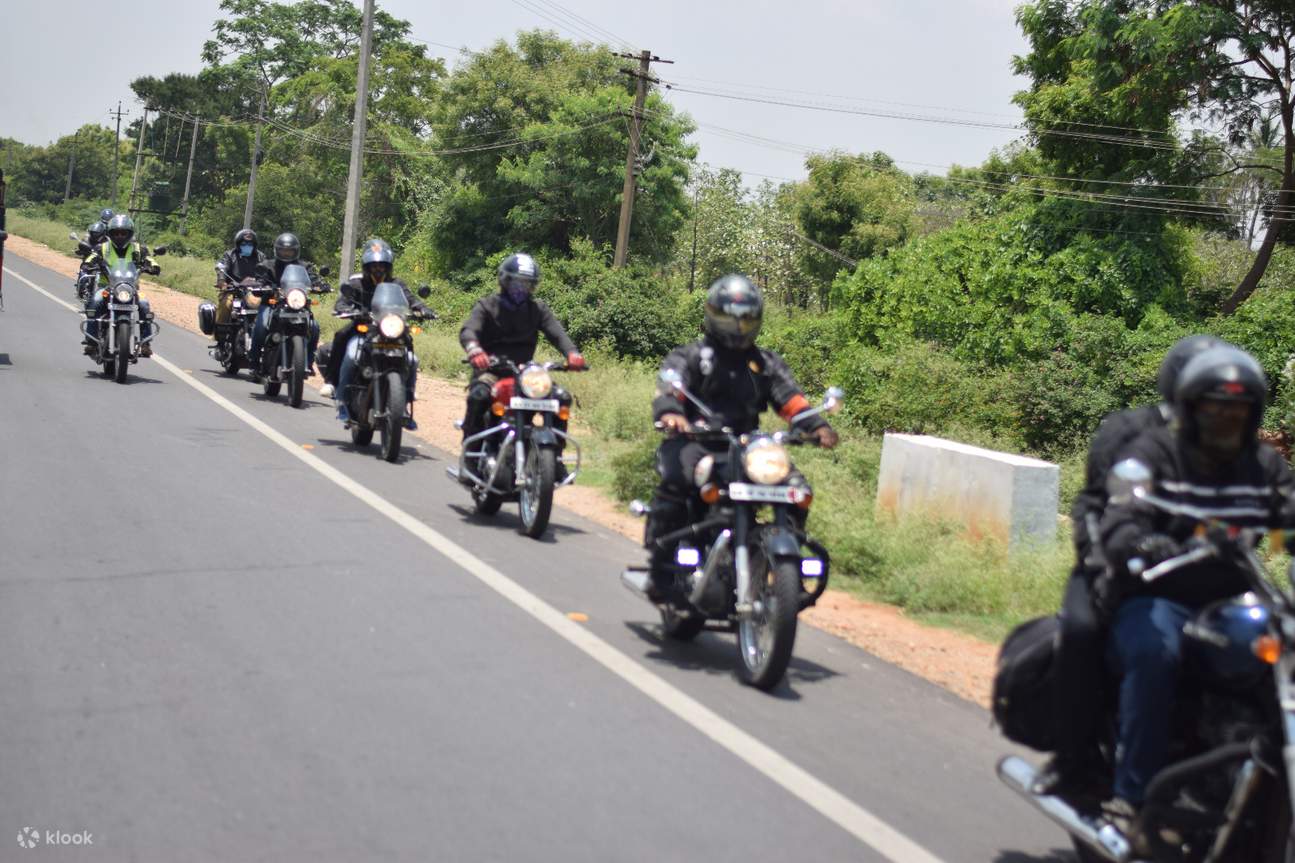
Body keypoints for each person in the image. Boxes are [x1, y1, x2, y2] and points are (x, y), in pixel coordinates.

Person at [1098, 345, 1294, 822]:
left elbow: (1288, 522)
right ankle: (1133, 794)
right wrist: (1142, 542)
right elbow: (1123, 515)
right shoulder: (1156, 453)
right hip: (1163, 595)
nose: (1227, 417)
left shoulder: (1265, 467)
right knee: (1155, 654)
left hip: (1238, 599)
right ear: (1190, 407)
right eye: (1215, 406)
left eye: (1238, 408)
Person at [1032, 334, 1226, 796]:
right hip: (1127, 569)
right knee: (1081, 632)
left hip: (1205, 578)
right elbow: (1095, 506)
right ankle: (1072, 762)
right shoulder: (1128, 431)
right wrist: (1107, 562)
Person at [642, 274, 838, 596]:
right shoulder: (692, 356)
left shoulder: (763, 363)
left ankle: (781, 565)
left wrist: (817, 426)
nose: (738, 328)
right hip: (697, 441)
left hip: (748, 448)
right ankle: (662, 568)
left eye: (746, 320)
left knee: (797, 490)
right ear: (712, 316)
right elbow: (669, 386)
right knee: (677, 481)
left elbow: (790, 398)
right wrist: (671, 414)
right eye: (729, 319)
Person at [457, 253, 586, 471]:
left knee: (561, 398)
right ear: (504, 281)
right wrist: (475, 349)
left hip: (526, 375)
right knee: (479, 395)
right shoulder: (487, 306)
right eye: (517, 283)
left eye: (527, 284)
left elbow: (557, 334)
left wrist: (572, 353)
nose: (521, 289)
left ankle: (554, 456)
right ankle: (471, 455)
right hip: (492, 370)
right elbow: (469, 330)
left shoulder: (537, 310)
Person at [322, 238, 432, 428]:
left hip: (390, 329)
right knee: (349, 353)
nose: (378, 269)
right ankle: (339, 397)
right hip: (363, 329)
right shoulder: (357, 283)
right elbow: (342, 301)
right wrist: (345, 308)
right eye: (374, 265)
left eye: (382, 265)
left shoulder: (397, 284)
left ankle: (404, 401)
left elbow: (412, 299)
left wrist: (423, 309)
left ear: (389, 267)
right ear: (366, 266)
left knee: (412, 360)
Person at [82, 214, 158, 357]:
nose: (120, 236)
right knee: (95, 302)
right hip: (107, 287)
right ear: (110, 233)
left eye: (123, 233)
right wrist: (88, 263)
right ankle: (91, 341)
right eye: (116, 233)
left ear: (129, 234)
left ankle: (145, 343)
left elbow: (149, 259)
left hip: (130, 288)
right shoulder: (103, 248)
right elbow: (92, 257)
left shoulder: (138, 249)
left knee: (144, 304)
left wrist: (153, 266)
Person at [248, 232, 322, 369]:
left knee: (314, 327)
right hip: (272, 303)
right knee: (261, 326)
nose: (287, 255)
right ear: (277, 250)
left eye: (290, 252)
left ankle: (308, 361)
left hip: (297, 305)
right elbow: (260, 278)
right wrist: (261, 285)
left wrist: (320, 285)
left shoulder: (304, 266)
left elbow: (313, 278)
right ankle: (254, 359)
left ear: (296, 251)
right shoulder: (268, 265)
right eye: (284, 251)